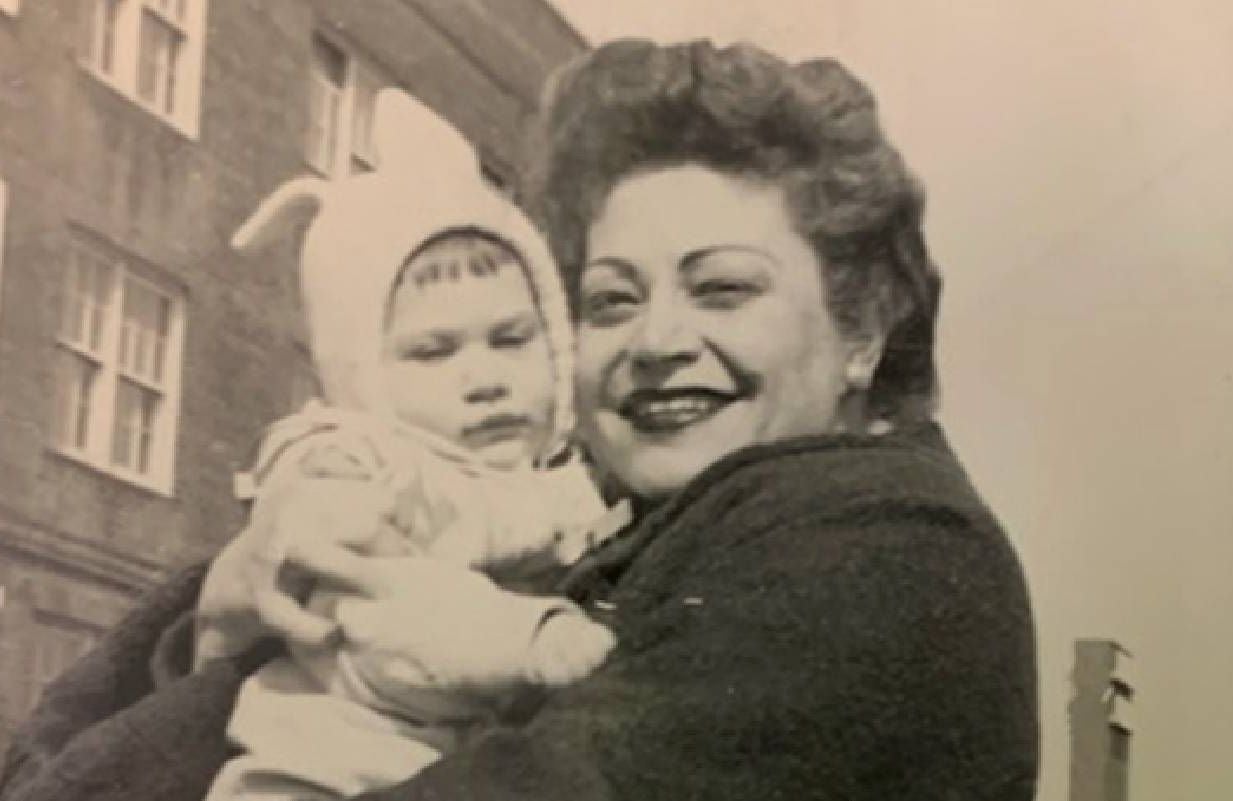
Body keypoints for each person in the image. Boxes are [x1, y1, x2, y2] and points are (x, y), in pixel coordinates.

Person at [0, 40, 1038, 801]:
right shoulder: (606, 525)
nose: (655, 341)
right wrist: (225, 606)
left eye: (721, 290)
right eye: (611, 301)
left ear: (861, 329)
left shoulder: (889, 550)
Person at [202, 90, 616, 801]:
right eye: (433, 351)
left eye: (512, 339)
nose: (483, 378)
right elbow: (381, 613)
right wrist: (529, 639)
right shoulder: (359, 467)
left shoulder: (562, 478)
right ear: (361, 370)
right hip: (316, 779)